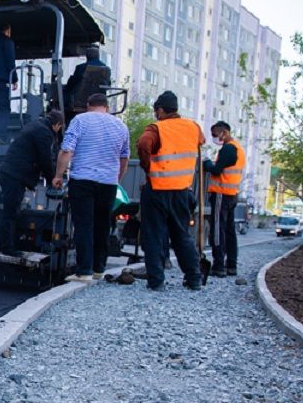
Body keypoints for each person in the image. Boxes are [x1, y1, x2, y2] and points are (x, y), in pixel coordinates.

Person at [52, 93, 129, 282]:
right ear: (107, 107)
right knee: (103, 224)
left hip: (83, 180)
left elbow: (66, 150)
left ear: (88, 106)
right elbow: (124, 157)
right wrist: (116, 178)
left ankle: (84, 271)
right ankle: (98, 268)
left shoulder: (80, 120)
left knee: (84, 224)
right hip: (109, 183)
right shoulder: (121, 126)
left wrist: (58, 175)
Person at [136, 90, 204, 291]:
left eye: (156, 111)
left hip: (157, 189)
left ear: (161, 110)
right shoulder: (193, 127)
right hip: (182, 190)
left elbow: (142, 144)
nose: (155, 114)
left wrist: (148, 167)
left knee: (154, 235)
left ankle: (156, 281)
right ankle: (194, 279)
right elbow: (201, 141)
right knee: (182, 235)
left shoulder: (156, 128)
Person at [0, 110, 64, 256]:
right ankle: (8, 248)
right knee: (12, 213)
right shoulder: (45, 133)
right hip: (15, 175)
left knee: (9, 210)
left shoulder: (35, 125)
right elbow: (45, 159)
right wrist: (52, 180)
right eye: (60, 127)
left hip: (9, 173)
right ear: (57, 125)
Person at [204, 120, 244, 276]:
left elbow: (216, 170)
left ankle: (219, 265)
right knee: (229, 231)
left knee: (218, 230)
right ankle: (231, 265)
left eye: (215, 135)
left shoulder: (228, 149)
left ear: (224, 133)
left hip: (221, 193)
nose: (215, 138)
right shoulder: (238, 148)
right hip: (232, 194)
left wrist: (206, 163)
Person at [63, 46, 109, 113]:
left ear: (87, 56)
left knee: (65, 91)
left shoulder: (81, 67)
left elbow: (72, 84)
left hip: (81, 101)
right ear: (98, 56)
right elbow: (107, 85)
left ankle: (64, 111)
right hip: (100, 101)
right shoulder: (106, 69)